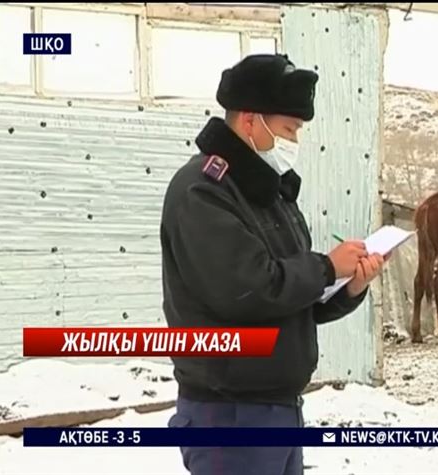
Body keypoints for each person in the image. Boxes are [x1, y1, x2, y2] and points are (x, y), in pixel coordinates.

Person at [160, 53, 386, 475]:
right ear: (250, 121)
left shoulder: (268, 193)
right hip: (229, 415)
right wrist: (325, 267)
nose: (294, 142)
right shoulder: (202, 192)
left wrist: (349, 286)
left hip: (276, 408)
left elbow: (292, 299)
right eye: (288, 129)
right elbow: (246, 291)